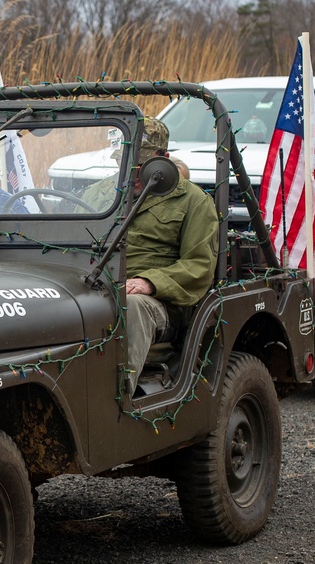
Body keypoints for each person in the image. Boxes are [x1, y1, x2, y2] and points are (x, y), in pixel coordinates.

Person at [89, 118, 219, 395]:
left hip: (158, 302)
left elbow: (200, 266)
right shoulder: (98, 193)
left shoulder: (193, 201)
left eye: (143, 162)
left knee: (133, 304)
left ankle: (118, 396)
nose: (133, 170)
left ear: (165, 159)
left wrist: (149, 282)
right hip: (95, 284)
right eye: (125, 160)